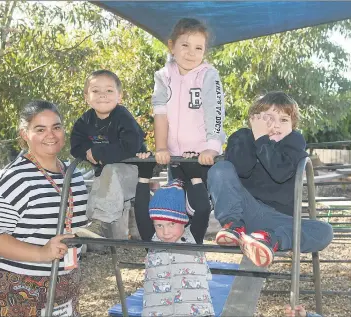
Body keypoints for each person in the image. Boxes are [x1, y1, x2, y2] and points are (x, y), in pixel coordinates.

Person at [0, 100, 88, 317]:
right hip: (16, 294)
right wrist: (41, 253)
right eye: (40, 129)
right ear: (24, 134)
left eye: (56, 127)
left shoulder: (75, 176)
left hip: (64, 289)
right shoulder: (13, 178)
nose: (51, 135)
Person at [207, 91, 334, 267]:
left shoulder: (294, 143)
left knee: (324, 231)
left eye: (284, 120)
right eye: (269, 118)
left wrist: (263, 141)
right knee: (220, 169)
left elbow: (280, 173)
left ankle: (268, 241)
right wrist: (256, 137)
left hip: (277, 221)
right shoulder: (242, 137)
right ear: (254, 119)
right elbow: (241, 169)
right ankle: (233, 226)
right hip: (244, 210)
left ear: (292, 125)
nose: (276, 125)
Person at [150, 17, 226, 238]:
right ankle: (179, 251)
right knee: (178, 209)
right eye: (185, 45)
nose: (191, 52)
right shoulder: (163, 77)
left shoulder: (208, 75)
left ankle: (197, 250)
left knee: (200, 206)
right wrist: (161, 147)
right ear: (171, 46)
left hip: (202, 156)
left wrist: (212, 146)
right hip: (176, 156)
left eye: (198, 48)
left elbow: (216, 111)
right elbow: (160, 113)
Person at [70, 70, 147, 227]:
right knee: (101, 182)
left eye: (109, 90)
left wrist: (99, 152)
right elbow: (76, 143)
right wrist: (87, 152)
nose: (102, 95)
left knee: (110, 172)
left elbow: (131, 145)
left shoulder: (123, 117)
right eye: (95, 90)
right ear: (86, 97)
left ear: (120, 96)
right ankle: (94, 225)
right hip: (106, 174)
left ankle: (100, 224)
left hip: (134, 173)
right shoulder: (85, 120)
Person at [142, 179, 214, 317]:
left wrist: (193, 176)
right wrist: (143, 177)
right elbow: (140, 208)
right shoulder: (154, 241)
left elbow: (204, 208)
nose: (165, 232)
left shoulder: (192, 238)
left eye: (172, 224)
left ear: (183, 221)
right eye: (159, 225)